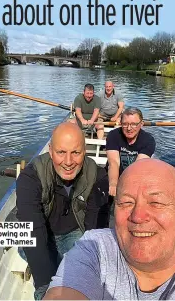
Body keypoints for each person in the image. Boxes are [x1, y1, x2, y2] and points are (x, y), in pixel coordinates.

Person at [44, 159, 175, 300]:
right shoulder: (95, 246)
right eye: (126, 202)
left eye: (156, 202)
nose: (137, 216)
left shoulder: (96, 175)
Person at [16, 122, 109, 300]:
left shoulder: (98, 177)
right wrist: (44, 290)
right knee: (18, 241)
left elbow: (94, 233)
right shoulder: (29, 178)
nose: (68, 162)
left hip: (74, 233)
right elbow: (33, 231)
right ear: (50, 151)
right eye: (61, 152)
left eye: (75, 152)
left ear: (85, 151)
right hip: (40, 231)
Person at [106, 107, 155, 196]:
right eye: (125, 124)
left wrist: (125, 188)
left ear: (141, 124)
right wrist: (113, 184)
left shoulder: (149, 140)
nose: (129, 128)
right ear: (120, 123)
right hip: (113, 175)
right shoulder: (113, 135)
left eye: (133, 124)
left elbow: (137, 167)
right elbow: (113, 163)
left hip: (136, 176)